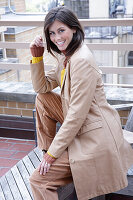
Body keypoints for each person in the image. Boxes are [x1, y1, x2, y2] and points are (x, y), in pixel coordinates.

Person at [29, 6, 133, 200]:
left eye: (61, 31)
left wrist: (52, 156)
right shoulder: (66, 56)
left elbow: (76, 117)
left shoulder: (82, 60)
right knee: (42, 98)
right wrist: (37, 57)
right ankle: (46, 149)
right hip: (79, 122)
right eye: (52, 33)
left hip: (94, 134)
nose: (56, 37)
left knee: (39, 181)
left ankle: (50, 155)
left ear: (74, 29)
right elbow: (42, 87)